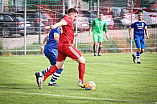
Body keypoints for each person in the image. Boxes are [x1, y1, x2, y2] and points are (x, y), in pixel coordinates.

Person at [36, 8, 86, 90]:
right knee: (82, 60)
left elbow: (64, 28)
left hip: (60, 46)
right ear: (71, 14)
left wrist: (73, 34)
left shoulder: (64, 19)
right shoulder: (68, 19)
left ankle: (42, 78)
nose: (75, 18)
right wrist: (55, 26)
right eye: (75, 16)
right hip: (67, 46)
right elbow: (61, 23)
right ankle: (81, 81)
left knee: (58, 66)